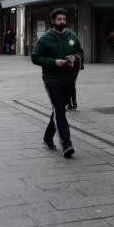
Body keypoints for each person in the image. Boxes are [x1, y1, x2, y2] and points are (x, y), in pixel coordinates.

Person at [31, 8, 84, 159]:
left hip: (69, 79)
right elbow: (35, 57)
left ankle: (47, 138)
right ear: (53, 21)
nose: (62, 22)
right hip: (52, 79)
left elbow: (80, 52)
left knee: (58, 110)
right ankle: (66, 144)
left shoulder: (72, 36)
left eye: (64, 19)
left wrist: (75, 58)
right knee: (60, 110)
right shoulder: (45, 39)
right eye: (59, 19)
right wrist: (54, 62)